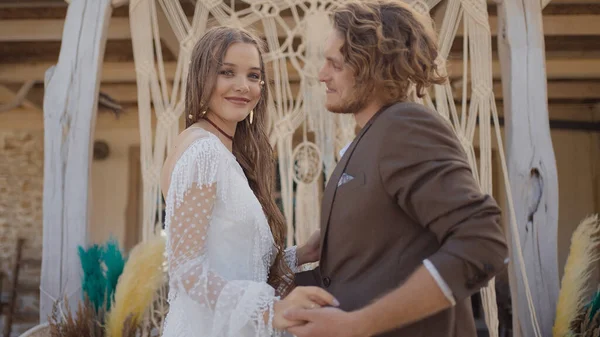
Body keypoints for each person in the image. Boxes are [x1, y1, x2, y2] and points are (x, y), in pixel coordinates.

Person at [286, 1, 509, 336]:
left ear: (371, 67)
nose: (321, 74)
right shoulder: (371, 136)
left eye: (334, 63)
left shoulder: (405, 126)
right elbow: (359, 271)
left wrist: (358, 324)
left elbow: (482, 242)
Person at [159, 26, 335, 337]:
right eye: (227, 72)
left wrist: (301, 254)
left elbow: (234, 260)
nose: (243, 86)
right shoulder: (204, 152)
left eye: (253, 76)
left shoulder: (228, 156)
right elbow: (186, 271)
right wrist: (268, 309)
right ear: (202, 76)